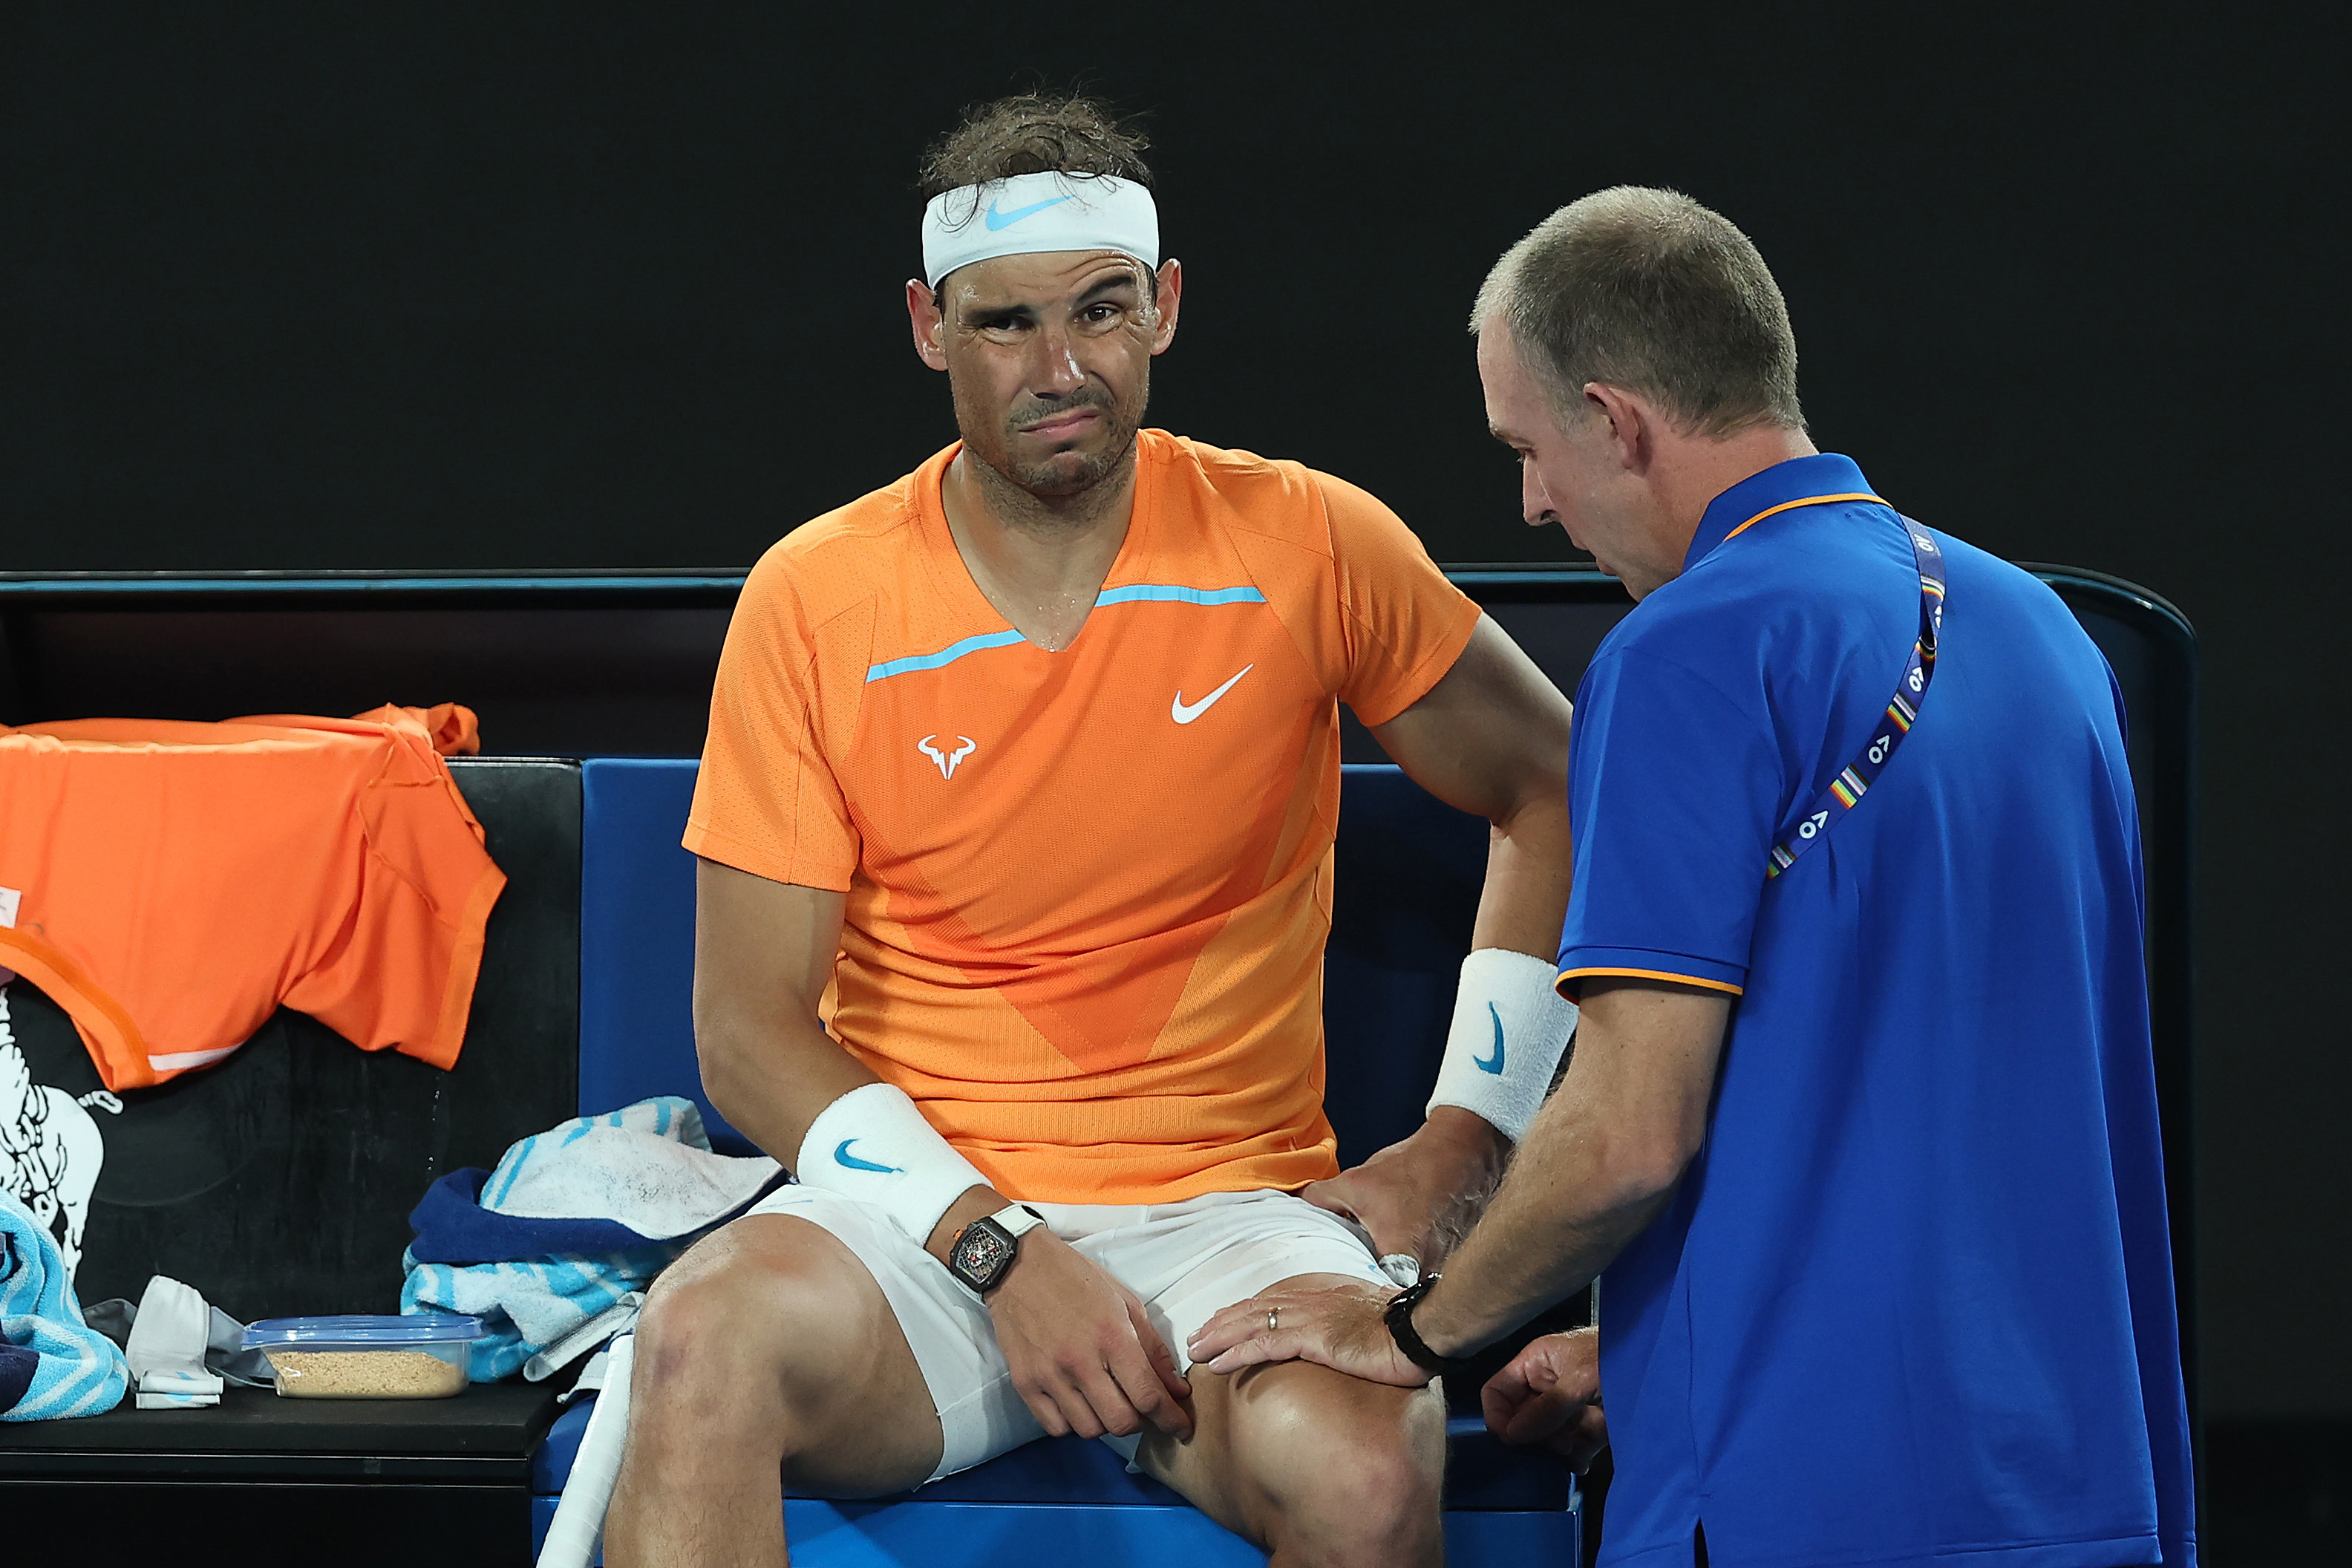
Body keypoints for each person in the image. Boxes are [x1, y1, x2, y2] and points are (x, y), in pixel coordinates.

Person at [601, 97, 1584, 1567]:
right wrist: (1000, 1250)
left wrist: (1468, 1141)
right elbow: (747, 1033)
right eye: (1006, 325)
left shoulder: (1308, 539)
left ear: (1166, 308)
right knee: (696, 1349)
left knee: (1370, 1476)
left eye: (1102, 311)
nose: (1061, 371)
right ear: (929, 328)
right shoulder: (817, 597)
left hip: (1233, 1217)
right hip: (926, 1234)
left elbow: (1557, 786)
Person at [1193, 187, 2198, 1568]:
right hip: (2077, 1486)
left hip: (1803, 1506)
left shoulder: (1688, 654)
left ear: (1616, 418)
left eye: (1531, 449)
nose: (1535, 502)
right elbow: (1944, 1101)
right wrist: (1644, 1346)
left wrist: (1412, 1327)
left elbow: (1624, 1138)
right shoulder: (2052, 642)